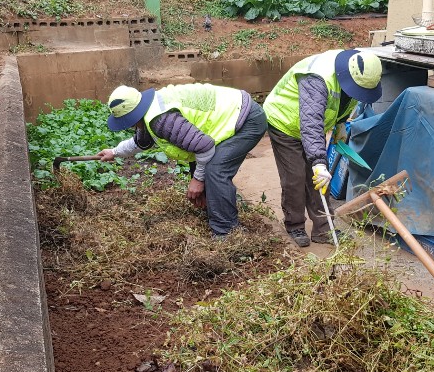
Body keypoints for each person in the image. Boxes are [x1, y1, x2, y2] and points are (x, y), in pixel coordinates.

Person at [97, 82, 267, 238]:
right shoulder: (149, 111)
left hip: (246, 119)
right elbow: (140, 142)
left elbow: (205, 148)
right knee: (204, 169)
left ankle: (227, 233)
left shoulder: (161, 119)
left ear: (133, 116)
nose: (129, 126)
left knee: (215, 170)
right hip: (230, 115)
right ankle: (215, 210)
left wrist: (198, 180)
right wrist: (114, 152)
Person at [263, 49, 382, 246]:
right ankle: (295, 225)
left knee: (320, 179)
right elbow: (311, 123)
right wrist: (318, 161)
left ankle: (324, 230)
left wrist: (341, 123)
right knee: (295, 177)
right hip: (284, 122)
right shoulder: (317, 78)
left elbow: (345, 101)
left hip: (311, 125)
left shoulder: (357, 74)